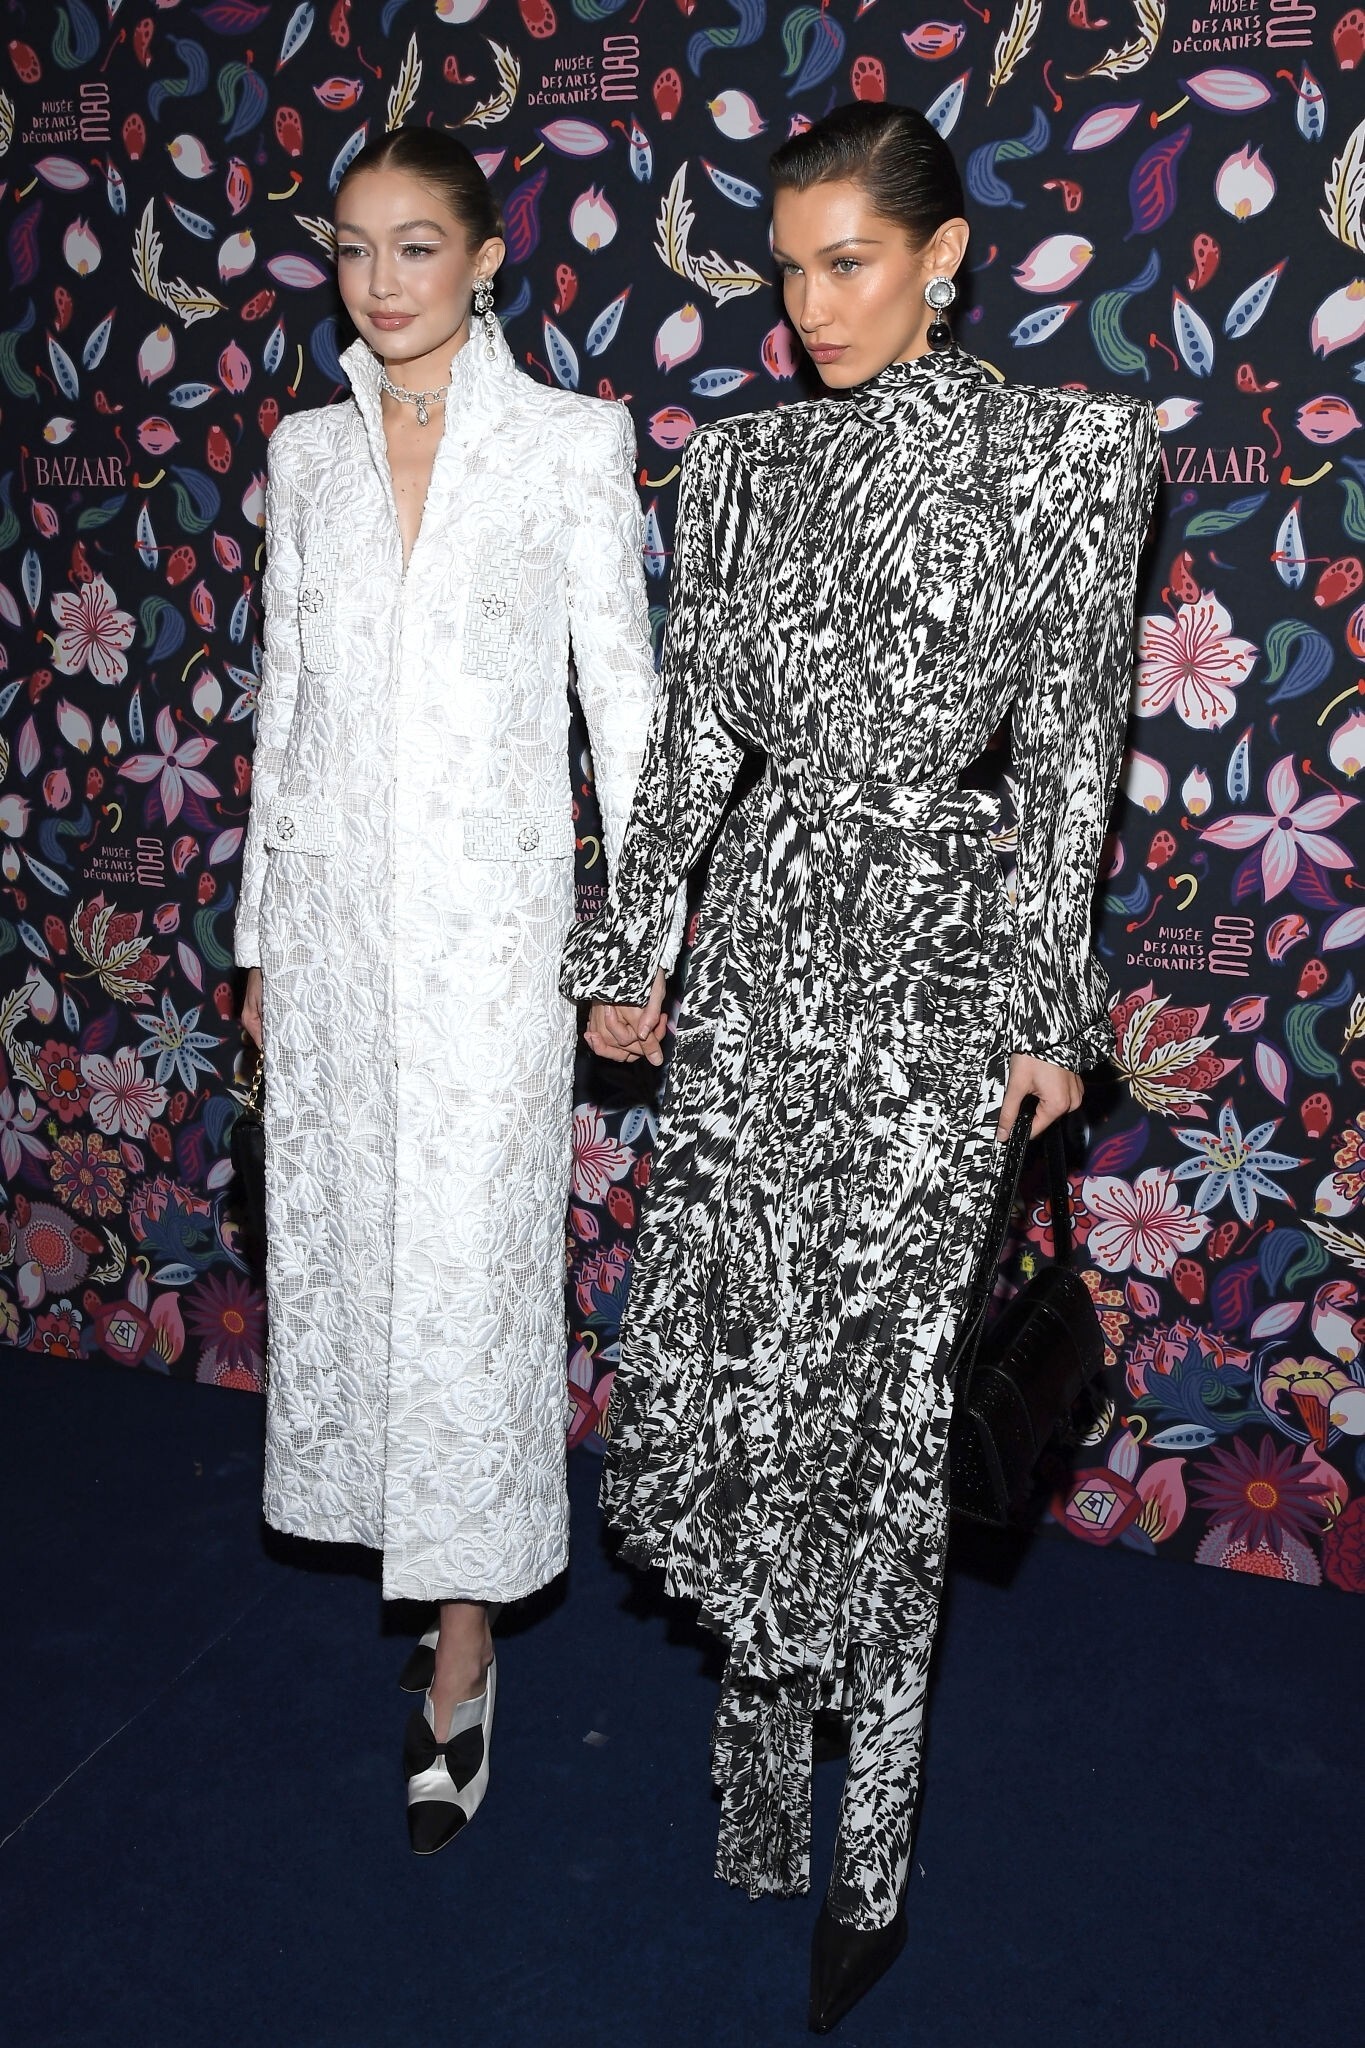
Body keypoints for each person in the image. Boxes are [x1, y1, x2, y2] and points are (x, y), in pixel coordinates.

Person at [563, 101, 1160, 2031]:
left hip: (933, 979)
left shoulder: (1069, 458)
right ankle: (756, 1806)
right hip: (756, 966)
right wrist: (628, 950)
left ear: (942, 257)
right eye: (791, 269)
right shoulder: (737, 465)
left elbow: (1068, 759)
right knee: (755, 1376)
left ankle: (873, 1863)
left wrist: (1048, 1013)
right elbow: (694, 742)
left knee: (885, 1418)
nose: (813, 305)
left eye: (853, 263)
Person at [235, 127, 667, 1854]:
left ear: (486, 257)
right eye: (352, 248)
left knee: (475, 1277)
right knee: (360, 1258)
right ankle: (410, 1569)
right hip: (335, 937)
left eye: (416, 245)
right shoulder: (307, 455)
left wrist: (635, 942)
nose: (381, 281)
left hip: (494, 947)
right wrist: (260, 939)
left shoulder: (569, 441)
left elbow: (622, 705)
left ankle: (466, 1641)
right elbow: (284, 713)